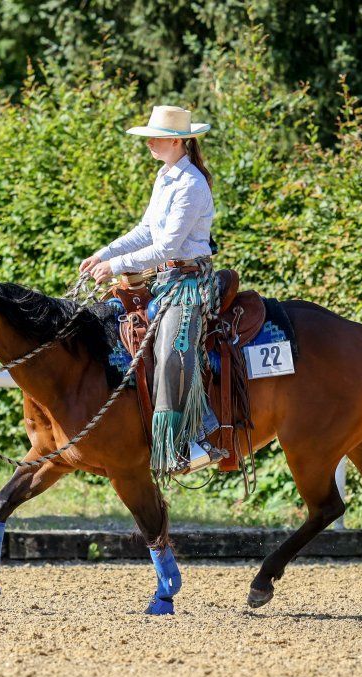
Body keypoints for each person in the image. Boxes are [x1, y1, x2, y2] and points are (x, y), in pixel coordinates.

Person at [79, 105, 225, 475]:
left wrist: (115, 266)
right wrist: (106, 252)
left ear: (177, 141)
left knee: (170, 349)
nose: (150, 143)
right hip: (164, 280)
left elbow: (169, 248)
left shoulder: (191, 185)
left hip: (189, 283)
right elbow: (147, 231)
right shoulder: (166, 176)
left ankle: (189, 443)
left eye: (156, 137)